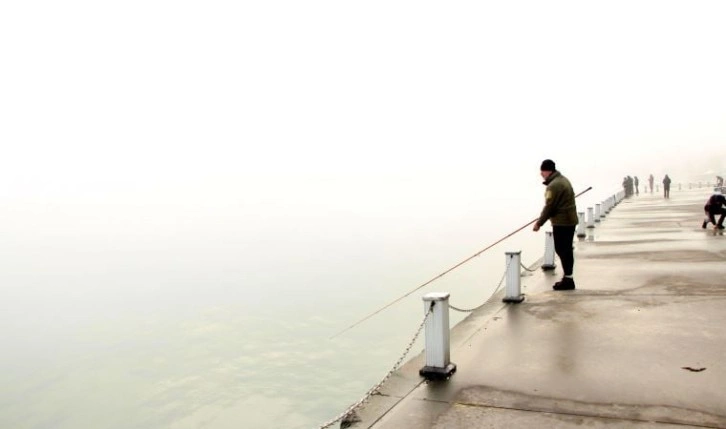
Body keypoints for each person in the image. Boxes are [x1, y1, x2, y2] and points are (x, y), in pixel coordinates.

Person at [533, 159, 578, 290]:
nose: (541, 174)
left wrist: (539, 223)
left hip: (562, 222)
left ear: (547, 171)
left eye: (542, 171)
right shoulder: (563, 180)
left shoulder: (554, 185)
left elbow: (549, 207)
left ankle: (568, 280)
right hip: (569, 220)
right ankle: (568, 277)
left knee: (562, 249)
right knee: (567, 249)